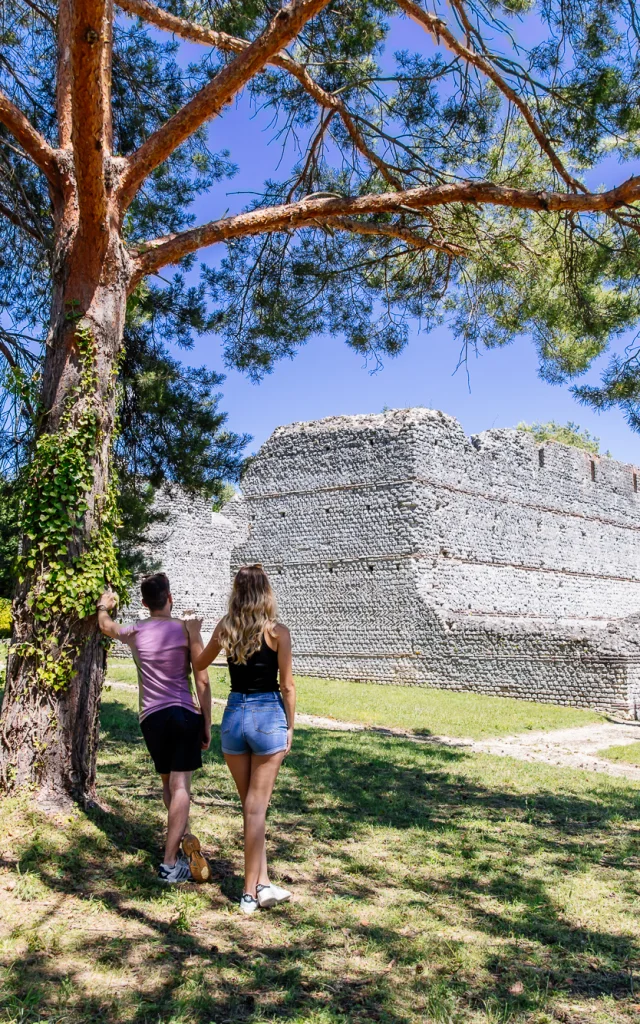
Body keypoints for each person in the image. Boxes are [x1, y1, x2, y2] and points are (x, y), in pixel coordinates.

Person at [186, 563, 296, 915]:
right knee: (256, 809)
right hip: (267, 718)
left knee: (251, 809)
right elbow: (288, 686)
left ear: (237, 592)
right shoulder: (278, 632)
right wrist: (290, 726)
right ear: (266, 593)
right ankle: (249, 892)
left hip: (234, 717)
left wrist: (192, 634)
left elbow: (199, 664)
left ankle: (263, 883)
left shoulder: (225, 628)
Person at [97, 573, 211, 884]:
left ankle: (181, 835)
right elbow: (202, 678)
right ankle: (170, 864)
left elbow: (106, 626)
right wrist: (207, 722)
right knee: (181, 786)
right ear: (170, 598)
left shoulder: (135, 630)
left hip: (151, 719)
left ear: (145, 603)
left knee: (168, 782)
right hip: (183, 714)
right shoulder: (185, 630)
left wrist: (103, 605)